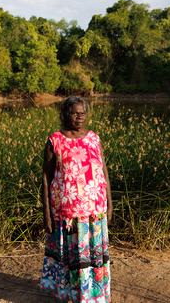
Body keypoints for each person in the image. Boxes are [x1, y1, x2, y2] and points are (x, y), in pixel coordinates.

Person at [39, 96, 112, 302]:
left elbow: (103, 171)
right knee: (70, 257)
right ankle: (69, 294)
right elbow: (46, 177)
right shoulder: (55, 140)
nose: (80, 117)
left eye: (83, 113)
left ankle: (92, 294)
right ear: (64, 114)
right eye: (75, 113)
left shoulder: (94, 138)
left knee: (92, 256)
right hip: (67, 214)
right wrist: (46, 214)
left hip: (94, 211)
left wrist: (110, 204)